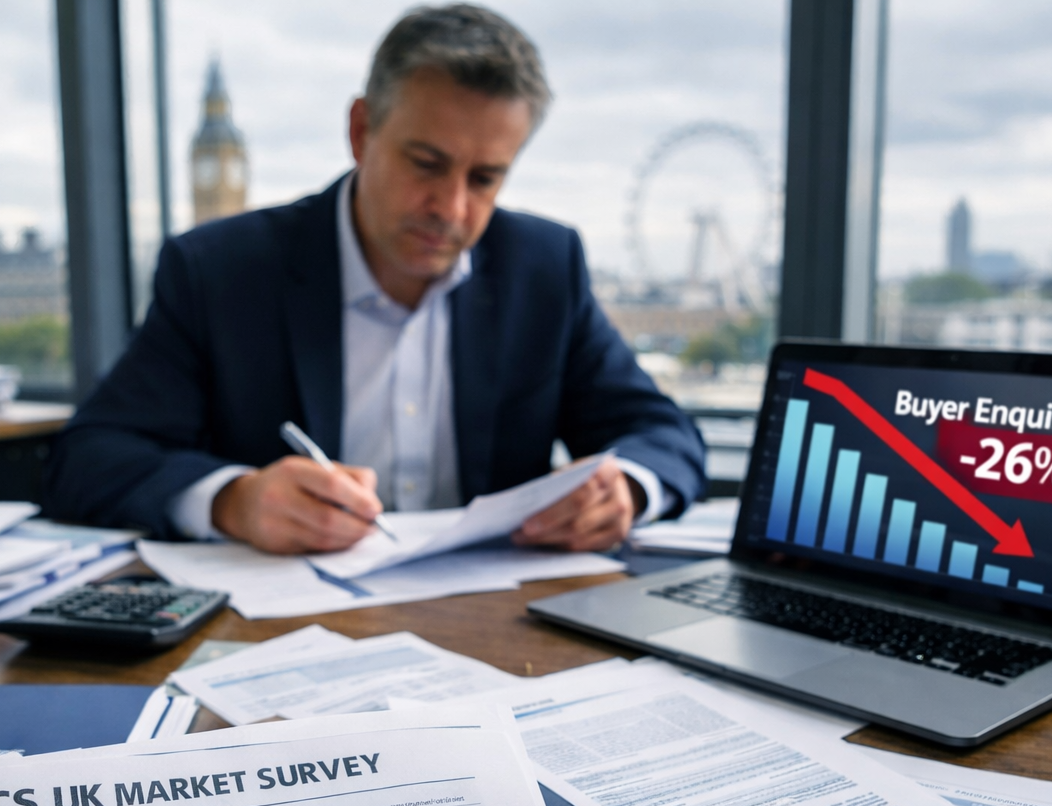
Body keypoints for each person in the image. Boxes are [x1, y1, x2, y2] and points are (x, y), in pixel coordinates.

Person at [45, 4, 704, 553]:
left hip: (496, 635)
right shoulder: (220, 270)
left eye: (484, 179)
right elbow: (90, 458)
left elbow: (665, 438)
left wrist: (630, 490)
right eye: (426, 163)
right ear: (362, 132)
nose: (451, 209)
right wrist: (232, 501)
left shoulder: (544, 266)